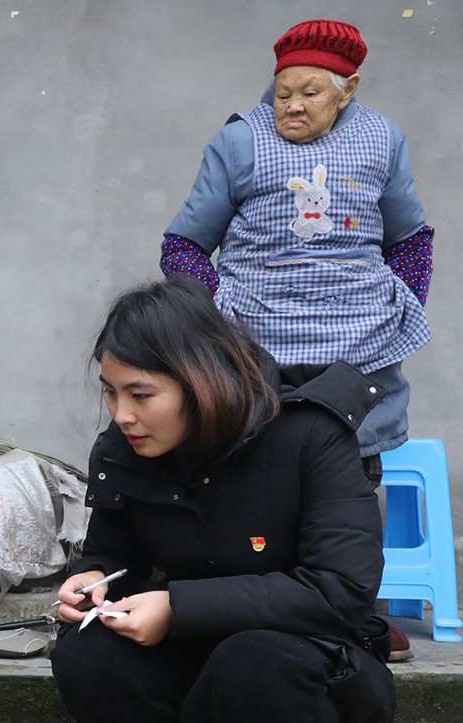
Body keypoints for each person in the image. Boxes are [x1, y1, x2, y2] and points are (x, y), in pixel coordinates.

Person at [51, 276, 394, 723]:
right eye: (110, 393)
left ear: (202, 383)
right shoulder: (124, 450)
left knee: (256, 658)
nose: (122, 414)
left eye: (141, 394)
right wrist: (92, 580)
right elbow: (110, 553)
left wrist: (177, 606)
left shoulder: (309, 434)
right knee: (86, 648)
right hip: (191, 677)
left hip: (314, 677)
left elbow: (340, 590)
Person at [160, 18, 433, 480]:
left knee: (344, 492)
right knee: (254, 485)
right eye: (283, 94)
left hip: (359, 346)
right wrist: (216, 321)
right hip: (256, 346)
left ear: (347, 90)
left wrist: (394, 308)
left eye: (310, 93)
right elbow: (183, 247)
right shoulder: (240, 141)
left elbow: (410, 241)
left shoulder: (383, 138)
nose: (293, 106)